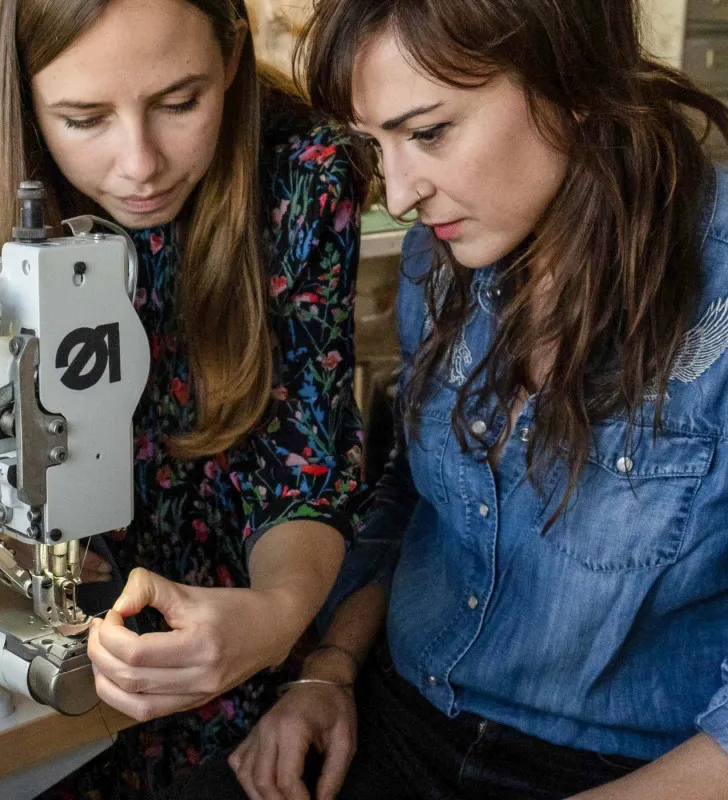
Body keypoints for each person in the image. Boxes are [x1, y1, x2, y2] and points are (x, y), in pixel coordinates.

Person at [221, 0, 728, 798]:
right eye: (374, 144)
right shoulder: (444, 258)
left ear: (571, 84)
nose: (400, 191)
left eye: (427, 133)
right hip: (401, 712)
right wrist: (325, 674)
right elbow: (415, 501)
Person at [0, 0, 366, 795]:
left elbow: (304, 461)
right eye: (83, 118)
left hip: (239, 640)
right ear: (23, 90)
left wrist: (276, 616)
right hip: (54, 628)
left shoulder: (305, 168)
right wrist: (46, 535)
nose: (140, 164)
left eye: (181, 103)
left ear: (231, 55)